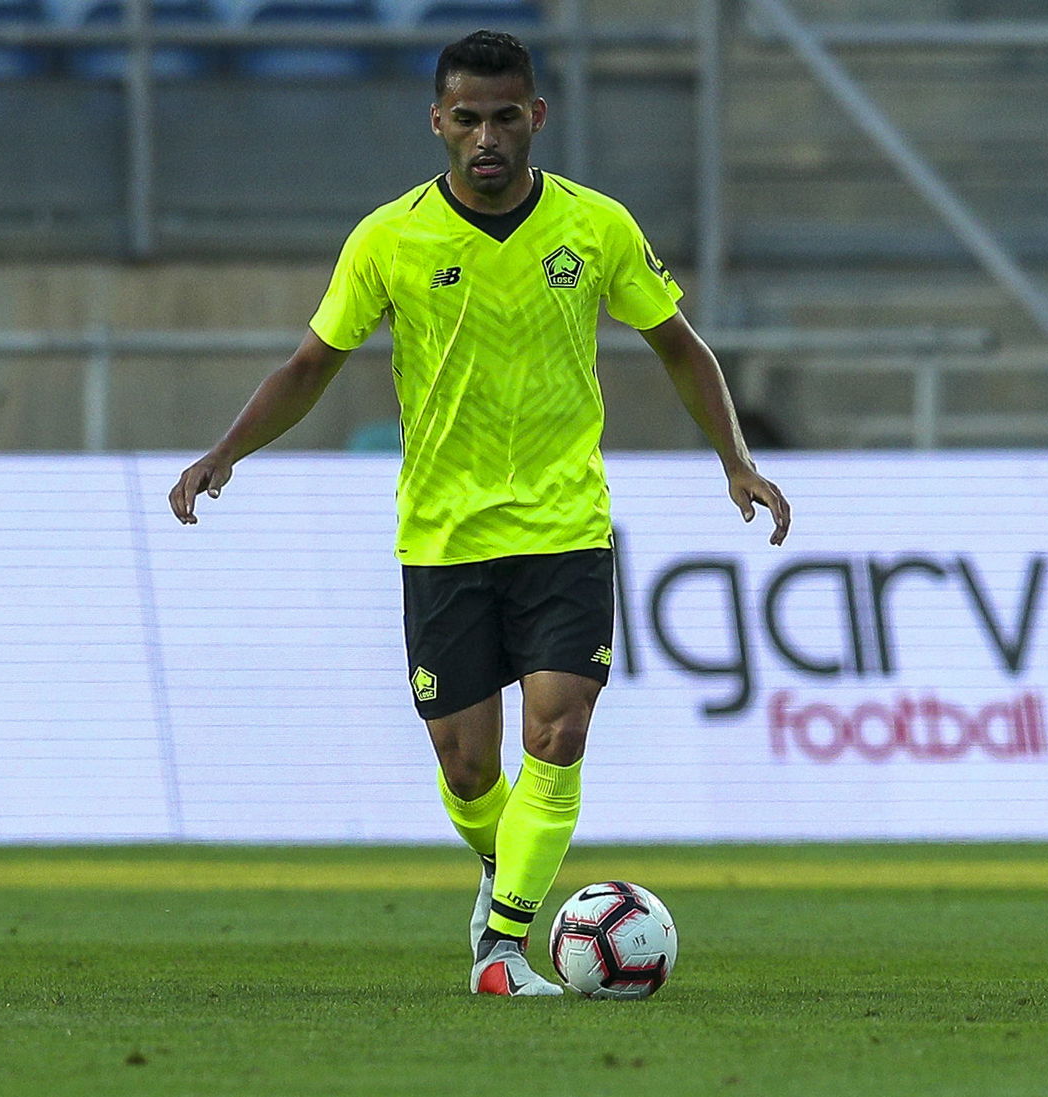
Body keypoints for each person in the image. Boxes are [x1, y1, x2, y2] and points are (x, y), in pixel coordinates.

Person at [167, 29, 791, 997]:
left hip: (563, 525)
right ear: (438, 122)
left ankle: (502, 948)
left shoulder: (595, 227)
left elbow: (678, 344)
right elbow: (309, 367)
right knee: (467, 769)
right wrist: (223, 453)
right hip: (444, 533)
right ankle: (505, 858)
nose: (486, 135)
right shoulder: (389, 237)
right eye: (467, 118)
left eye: (505, 116)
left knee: (560, 730)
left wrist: (733, 459)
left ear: (535, 116)